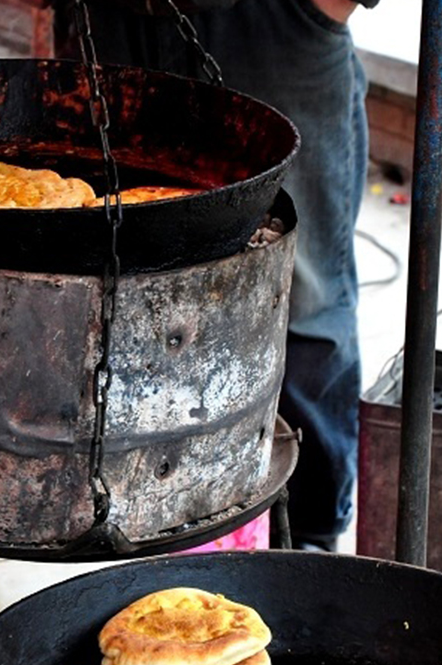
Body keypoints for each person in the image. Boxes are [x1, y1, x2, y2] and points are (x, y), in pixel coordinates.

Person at [54, 0, 377, 551]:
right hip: (110, 21)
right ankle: (159, 525)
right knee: (124, 274)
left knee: (304, 295)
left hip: (269, 24)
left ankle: (312, 536)